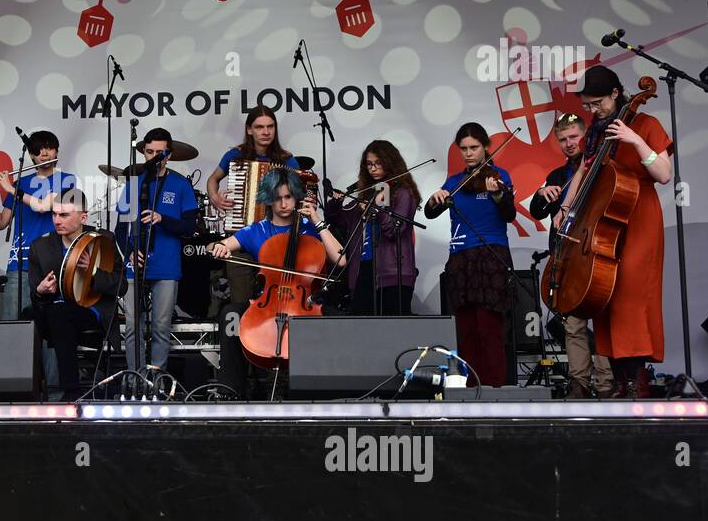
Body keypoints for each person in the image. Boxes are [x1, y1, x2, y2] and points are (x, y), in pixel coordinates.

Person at [554, 66, 673, 398]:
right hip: (605, 223)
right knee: (605, 296)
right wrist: (567, 206)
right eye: (588, 106)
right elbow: (585, 169)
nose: (592, 111)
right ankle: (620, 381)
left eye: (596, 104)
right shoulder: (597, 132)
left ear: (615, 94)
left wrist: (634, 140)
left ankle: (638, 379)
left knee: (631, 298)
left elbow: (663, 173)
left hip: (639, 220)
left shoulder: (646, 124)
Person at [210, 169, 346, 397]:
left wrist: (317, 221)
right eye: (277, 198)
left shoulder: (311, 229)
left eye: (288, 197)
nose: (283, 203)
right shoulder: (256, 230)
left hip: (304, 304)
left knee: (339, 320)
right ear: (268, 199)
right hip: (268, 305)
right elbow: (214, 246)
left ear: (296, 197)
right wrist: (219, 247)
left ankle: (320, 394)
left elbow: (340, 260)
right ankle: (230, 389)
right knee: (231, 313)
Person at [424, 123, 517, 388]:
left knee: (489, 327)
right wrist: (435, 199)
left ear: (486, 147)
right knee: (467, 328)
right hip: (461, 257)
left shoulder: (499, 176)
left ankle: (495, 387)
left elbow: (509, 214)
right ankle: (473, 387)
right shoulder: (454, 182)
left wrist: (497, 193)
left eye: (474, 148)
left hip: (490, 255)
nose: (468, 153)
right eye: (463, 149)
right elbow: (431, 213)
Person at [530, 113, 614, 398]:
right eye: (563, 140)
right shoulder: (558, 175)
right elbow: (537, 212)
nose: (568, 144)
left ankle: (606, 383)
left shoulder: (604, 167)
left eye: (573, 137)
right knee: (573, 324)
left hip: (595, 253)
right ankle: (579, 382)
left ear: (585, 135)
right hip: (566, 257)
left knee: (602, 321)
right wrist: (542, 193)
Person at [27, 189, 126, 403]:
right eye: (54, 214)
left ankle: (70, 392)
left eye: (64, 215)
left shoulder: (104, 239)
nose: (56, 220)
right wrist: (40, 291)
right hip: (54, 314)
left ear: (83, 217)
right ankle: (29, 390)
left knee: (59, 314)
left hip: (91, 312)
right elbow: (35, 293)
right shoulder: (40, 246)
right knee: (27, 316)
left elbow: (121, 286)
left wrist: (93, 273)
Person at [115, 128, 199, 374]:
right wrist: (130, 251)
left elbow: (189, 227)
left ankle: (157, 381)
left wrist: (163, 218)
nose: (153, 157)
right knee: (132, 327)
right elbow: (121, 229)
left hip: (166, 265)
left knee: (162, 326)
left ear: (169, 155)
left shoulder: (180, 184)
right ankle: (135, 379)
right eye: (148, 152)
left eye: (158, 153)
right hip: (136, 266)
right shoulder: (134, 184)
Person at [206, 106, 306, 304]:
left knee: (279, 296)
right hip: (241, 235)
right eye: (259, 127)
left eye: (270, 126)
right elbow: (213, 179)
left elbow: (297, 194)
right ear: (249, 130)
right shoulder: (235, 155)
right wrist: (214, 197)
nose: (266, 132)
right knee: (241, 299)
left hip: (278, 238)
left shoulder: (287, 160)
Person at [0, 130, 76, 322]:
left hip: (52, 260)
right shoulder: (21, 182)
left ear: (57, 152)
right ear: (31, 155)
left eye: (49, 148)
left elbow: (45, 206)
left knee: (51, 327)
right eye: (38, 150)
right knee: (14, 323)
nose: (44, 154)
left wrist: (12, 189)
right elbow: (2, 222)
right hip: (19, 260)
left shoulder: (66, 179)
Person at [326, 139, 421, 315]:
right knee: (363, 330)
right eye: (369, 164)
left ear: (390, 163)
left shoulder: (402, 193)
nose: (373, 168)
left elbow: (394, 231)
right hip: (365, 268)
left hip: (392, 273)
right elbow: (340, 221)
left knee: (392, 331)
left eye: (378, 163)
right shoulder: (368, 194)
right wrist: (336, 204)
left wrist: (377, 210)